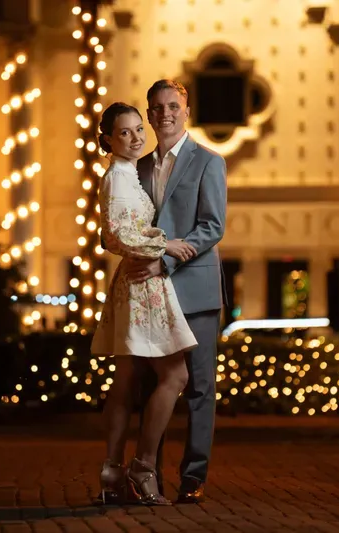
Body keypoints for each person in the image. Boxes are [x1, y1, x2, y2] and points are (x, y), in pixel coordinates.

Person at [90, 102, 199, 506]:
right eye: (125, 132)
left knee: (126, 380)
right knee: (175, 376)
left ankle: (112, 472)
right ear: (108, 139)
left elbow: (114, 234)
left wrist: (153, 244)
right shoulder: (117, 177)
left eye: (139, 129)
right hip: (142, 284)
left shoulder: (126, 173)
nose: (136, 138)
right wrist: (164, 245)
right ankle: (143, 467)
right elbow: (117, 234)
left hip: (135, 280)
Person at [126, 80, 227, 504]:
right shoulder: (137, 168)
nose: (164, 113)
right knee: (157, 386)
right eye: (157, 107)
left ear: (186, 111)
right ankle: (150, 474)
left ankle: (193, 476)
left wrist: (165, 259)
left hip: (196, 289)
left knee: (200, 388)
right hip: (152, 293)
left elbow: (213, 225)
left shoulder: (209, 161)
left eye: (172, 106)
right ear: (149, 115)